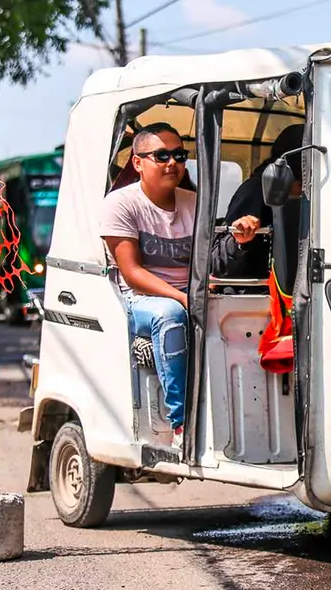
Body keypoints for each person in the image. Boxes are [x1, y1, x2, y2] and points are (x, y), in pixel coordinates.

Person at [100, 122, 261, 448]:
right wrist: (185, 297)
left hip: (190, 294)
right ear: (138, 162)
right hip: (139, 301)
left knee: (250, 312)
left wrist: (240, 240)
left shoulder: (194, 203)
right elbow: (132, 273)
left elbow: (212, 264)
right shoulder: (121, 204)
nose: (172, 162)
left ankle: (245, 425)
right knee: (170, 314)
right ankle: (181, 425)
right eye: (161, 155)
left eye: (179, 155)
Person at [217, 124, 305, 278]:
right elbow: (226, 259)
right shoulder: (254, 190)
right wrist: (242, 237)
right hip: (254, 285)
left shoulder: (315, 197)